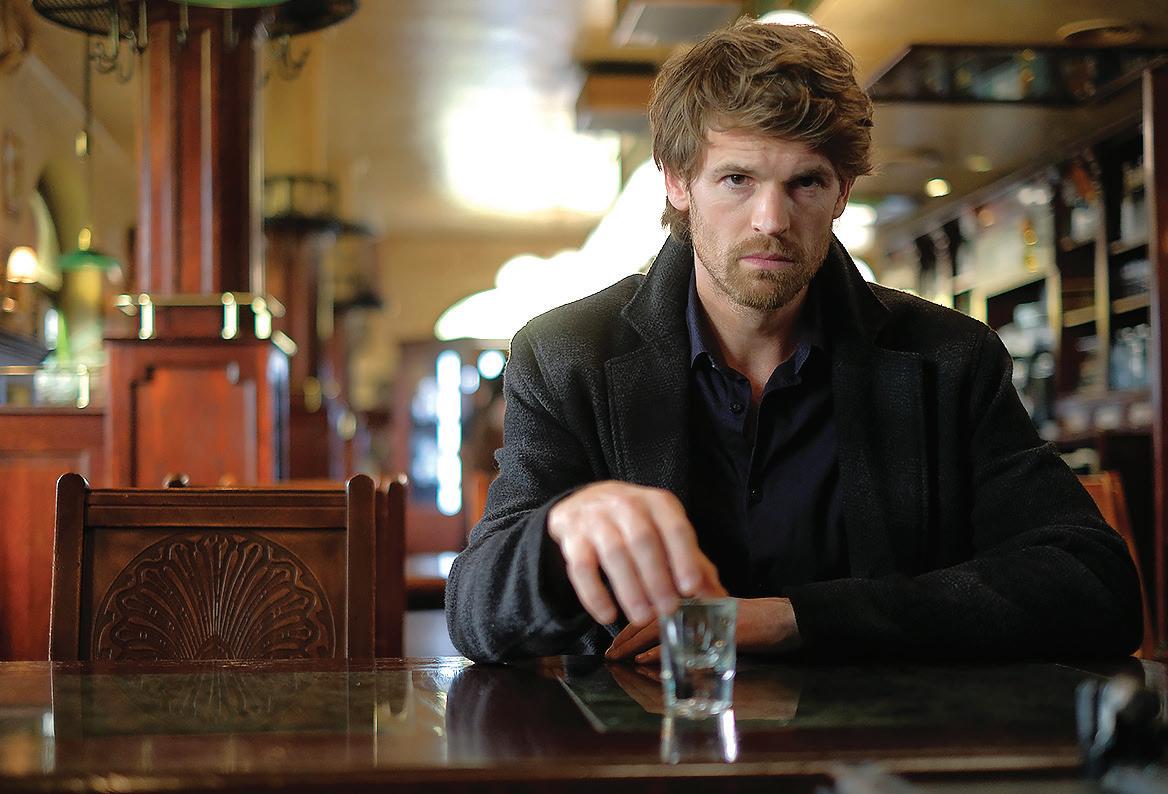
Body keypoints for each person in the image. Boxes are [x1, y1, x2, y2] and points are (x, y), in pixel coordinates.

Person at [445, 19, 1143, 663]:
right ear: (677, 181)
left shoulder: (950, 359)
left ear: (841, 192)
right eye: (737, 179)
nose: (771, 220)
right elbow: (475, 618)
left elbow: (1094, 585)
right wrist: (558, 534)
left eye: (804, 182)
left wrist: (796, 618)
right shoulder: (566, 353)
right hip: (647, 739)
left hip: (889, 742)